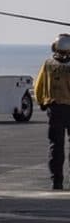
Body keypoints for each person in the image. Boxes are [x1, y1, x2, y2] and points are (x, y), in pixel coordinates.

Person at [34, 34, 70, 190]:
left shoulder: (48, 64)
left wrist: (42, 102)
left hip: (54, 109)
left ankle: (57, 181)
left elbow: (38, 86)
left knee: (56, 145)